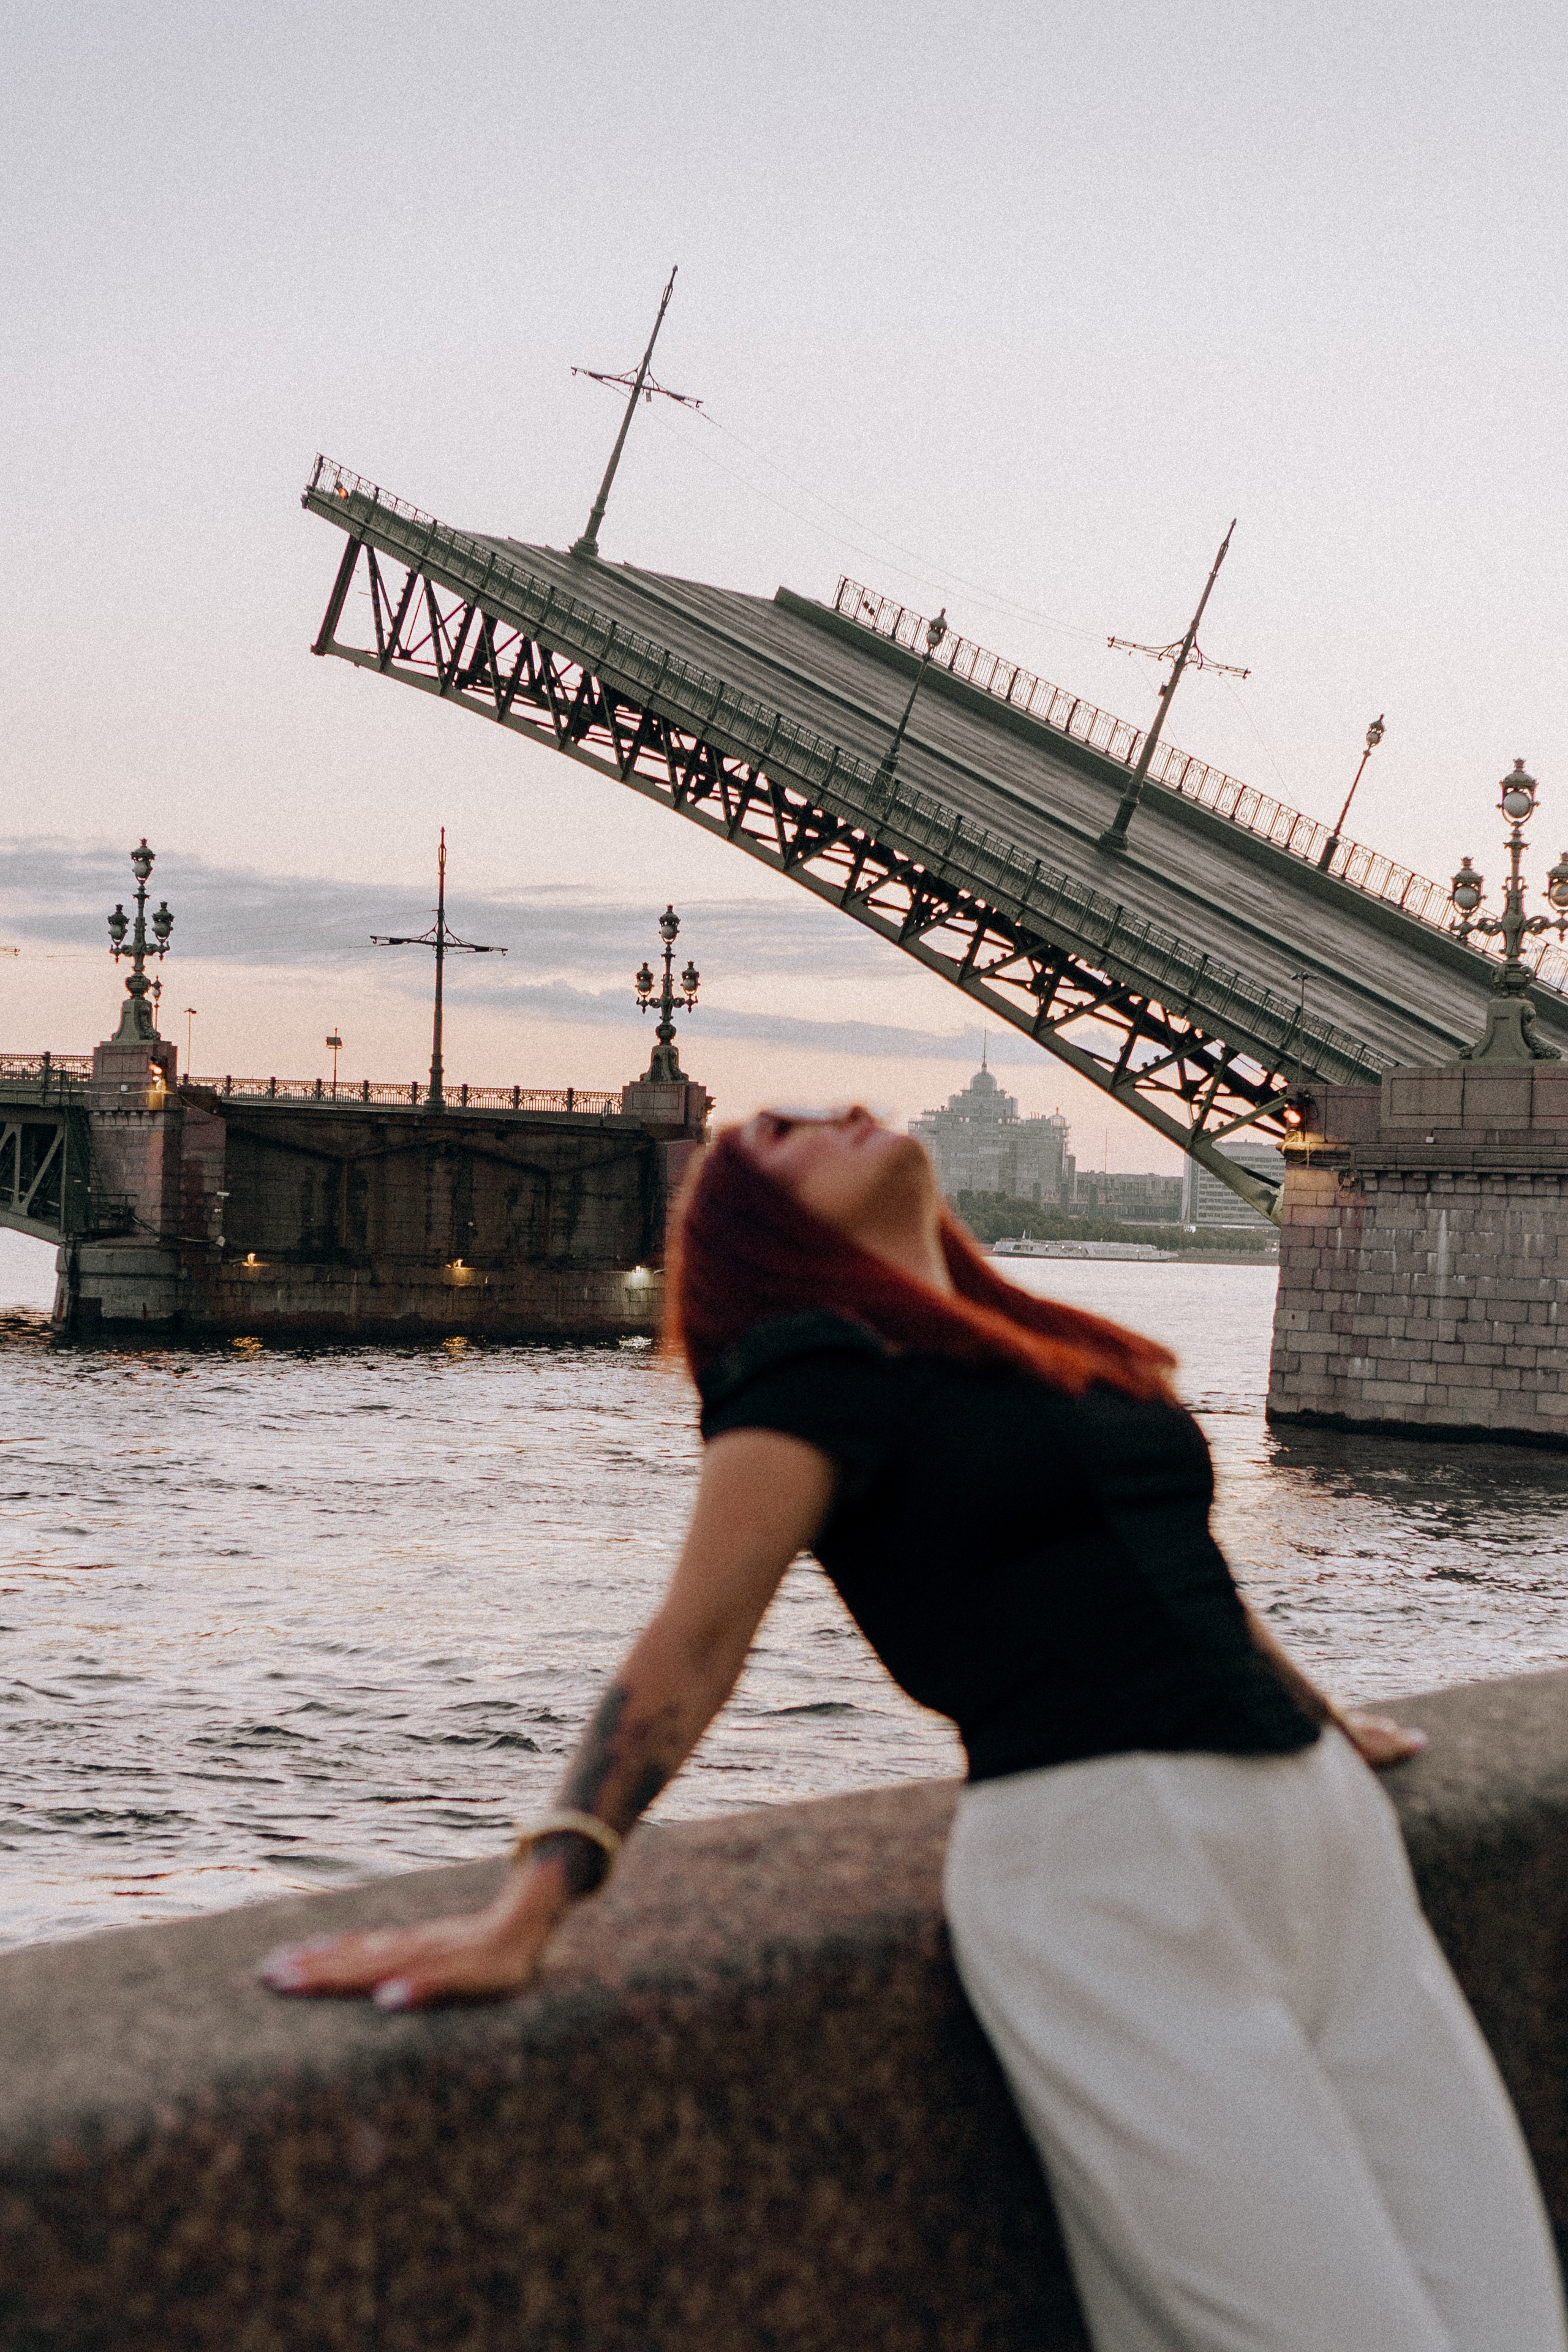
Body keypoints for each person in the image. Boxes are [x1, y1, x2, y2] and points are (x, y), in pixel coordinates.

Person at [262, 1107, 1567, 2352]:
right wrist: (534, 1904)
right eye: (775, 1137)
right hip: (1111, 1864)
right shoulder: (807, 1366)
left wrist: (1321, 1716)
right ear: (759, 1230)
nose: (827, 1114)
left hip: (1311, 1830)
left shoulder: (1024, 1344)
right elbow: (694, 1645)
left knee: (1506, 2301)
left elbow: (1170, 1565)